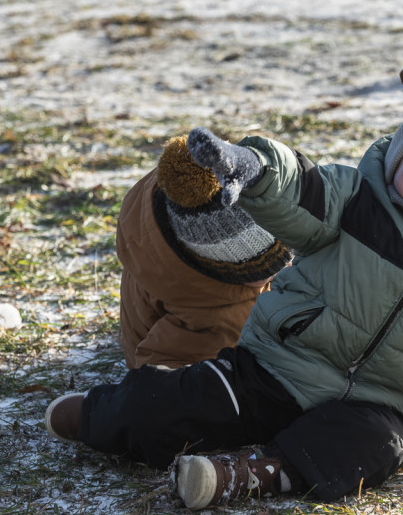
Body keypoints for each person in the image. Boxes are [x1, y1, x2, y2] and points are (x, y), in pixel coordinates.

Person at [45, 97, 403, 509]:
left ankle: (252, 473)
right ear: (394, 161)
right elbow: (300, 188)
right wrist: (252, 167)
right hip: (272, 373)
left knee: (375, 452)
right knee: (182, 401)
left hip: (372, 407)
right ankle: (103, 415)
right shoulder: (355, 204)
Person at [114, 134, 292, 369]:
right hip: (188, 357)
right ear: (219, 264)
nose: (277, 272)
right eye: (262, 271)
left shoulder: (167, 210)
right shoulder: (214, 319)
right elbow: (158, 375)